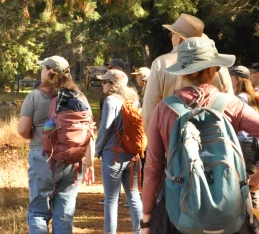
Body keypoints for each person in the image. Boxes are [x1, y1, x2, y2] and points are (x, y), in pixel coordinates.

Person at [140, 38, 259, 234]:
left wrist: (146, 219)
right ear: (213, 69)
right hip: (228, 212)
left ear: (184, 72)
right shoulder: (232, 105)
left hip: (180, 212)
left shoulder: (164, 110)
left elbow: (153, 167)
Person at [18, 55, 94, 234]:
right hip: (72, 160)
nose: (41, 71)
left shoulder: (35, 96)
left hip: (43, 157)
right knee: (64, 215)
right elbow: (89, 131)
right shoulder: (79, 97)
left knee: (38, 212)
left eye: (43, 68)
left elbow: (22, 130)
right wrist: (89, 162)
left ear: (50, 72)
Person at [142, 13, 233, 132]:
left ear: (179, 38)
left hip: (173, 140)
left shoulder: (161, 64)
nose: (171, 38)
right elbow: (230, 105)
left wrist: (155, 143)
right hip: (214, 138)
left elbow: (150, 110)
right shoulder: (218, 65)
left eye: (172, 34)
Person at [95, 69, 143, 234]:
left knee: (111, 200)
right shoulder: (134, 100)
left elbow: (105, 128)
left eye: (105, 81)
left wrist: (97, 149)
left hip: (113, 154)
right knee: (134, 196)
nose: (102, 84)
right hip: (133, 155)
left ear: (113, 84)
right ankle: (140, 231)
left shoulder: (111, 101)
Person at [229, 65, 259, 208]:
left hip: (244, 145)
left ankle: (253, 223)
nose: (229, 80)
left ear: (238, 79)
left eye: (231, 77)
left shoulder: (240, 98)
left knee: (246, 185)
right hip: (252, 144)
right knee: (251, 188)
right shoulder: (251, 95)